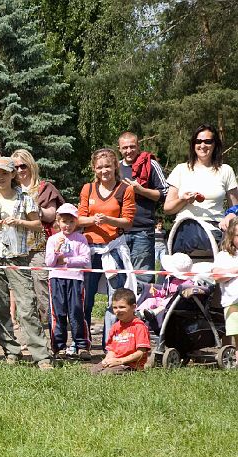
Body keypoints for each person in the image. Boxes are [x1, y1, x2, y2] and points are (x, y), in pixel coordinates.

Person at [0, 156, 52, 368]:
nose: (0, 177)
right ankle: (11, 351)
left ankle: (42, 357)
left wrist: (19, 222)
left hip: (18, 257)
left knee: (27, 306)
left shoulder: (24, 198)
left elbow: (38, 225)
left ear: (12, 175)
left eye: (4, 173)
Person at [78, 148, 136, 346]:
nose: (104, 171)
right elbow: (79, 218)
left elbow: (128, 221)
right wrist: (92, 219)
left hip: (114, 250)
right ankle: (82, 341)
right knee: (86, 298)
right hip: (91, 249)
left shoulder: (125, 190)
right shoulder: (88, 189)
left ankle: (111, 343)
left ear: (115, 167)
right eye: (100, 167)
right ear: (94, 169)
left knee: (116, 299)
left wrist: (109, 219)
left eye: (108, 166)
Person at [164, 124, 238, 255]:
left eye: (208, 141)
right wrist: (183, 200)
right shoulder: (181, 169)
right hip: (185, 227)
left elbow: (235, 208)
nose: (202, 145)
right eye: (198, 141)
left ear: (215, 144)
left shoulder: (226, 170)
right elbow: (168, 208)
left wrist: (231, 215)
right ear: (193, 144)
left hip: (217, 228)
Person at [11, 149, 61, 328]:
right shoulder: (10, 189)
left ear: (30, 165)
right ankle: (28, 338)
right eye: (15, 167)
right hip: (16, 249)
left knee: (42, 295)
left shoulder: (44, 187)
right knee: (23, 297)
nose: (19, 170)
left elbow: (52, 214)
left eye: (23, 165)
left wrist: (35, 210)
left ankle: (47, 335)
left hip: (39, 248)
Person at [118, 132, 168, 289]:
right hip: (118, 233)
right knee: (119, 280)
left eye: (132, 146)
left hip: (142, 232)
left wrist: (140, 190)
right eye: (125, 147)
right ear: (119, 149)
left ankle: (141, 312)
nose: (129, 151)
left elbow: (165, 193)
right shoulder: (115, 168)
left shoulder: (150, 164)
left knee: (143, 281)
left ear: (138, 146)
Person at [44, 203, 91, 360]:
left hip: (75, 279)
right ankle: (59, 346)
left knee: (76, 312)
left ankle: (82, 346)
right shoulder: (52, 239)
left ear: (76, 222)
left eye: (71, 222)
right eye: (64, 221)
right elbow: (49, 262)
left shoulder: (81, 239)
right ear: (58, 221)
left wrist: (66, 260)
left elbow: (85, 259)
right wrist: (57, 251)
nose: (68, 225)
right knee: (58, 313)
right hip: (56, 279)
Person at [90, 288, 151, 374]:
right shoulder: (115, 327)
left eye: (122, 307)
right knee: (93, 371)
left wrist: (120, 361)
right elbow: (112, 350)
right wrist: (107, 360)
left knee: (107, 374)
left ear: (133, 307)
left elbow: (141, 353)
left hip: (131, 365)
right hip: (116, 362)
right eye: (115, 307)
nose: (118, 311)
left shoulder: (139, 326)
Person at [212, 218, 238, 348]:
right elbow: (216, 275)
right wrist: (235, 270)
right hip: (233, 304)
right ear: (231, 236)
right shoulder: (224, 256)